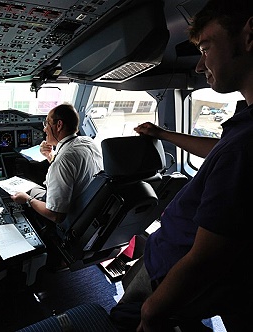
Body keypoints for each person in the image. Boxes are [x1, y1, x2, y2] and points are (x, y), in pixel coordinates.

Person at [110, 1, 253, 331]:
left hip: (172, 274)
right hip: (182, 270)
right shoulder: (244, 127)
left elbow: (206, 259)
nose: (201, 67)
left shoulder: (246, 144)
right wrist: (162, 133)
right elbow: (221, 152)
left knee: (121, 321)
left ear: (249, 35)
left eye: (205, 48)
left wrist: (151, 314)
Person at [10, 103, 103, 224]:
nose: (44, 129)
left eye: (47, 123)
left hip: (70, 218)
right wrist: (49, 156)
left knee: (26, 189)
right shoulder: (87, 141)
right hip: (87, 207)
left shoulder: (62, 161)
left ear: (59, 125)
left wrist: (27, 200)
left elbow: (56, 216)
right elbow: (72, 167)